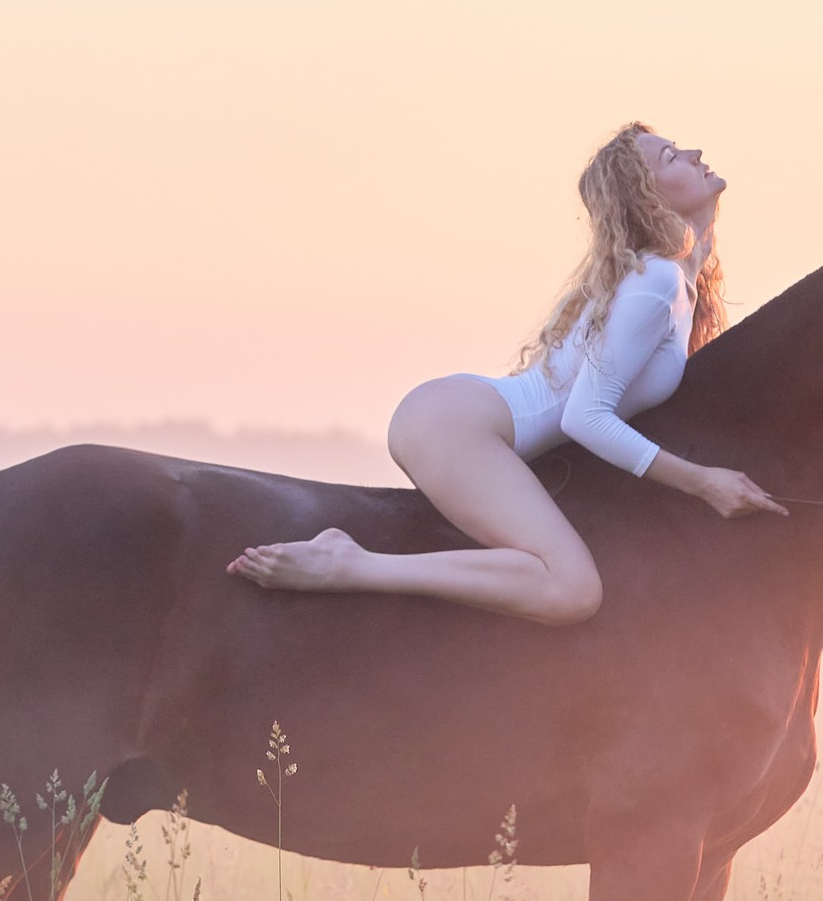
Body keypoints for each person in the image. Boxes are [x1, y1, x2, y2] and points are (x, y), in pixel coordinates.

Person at [225, 123, 784, 624]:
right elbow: (586, 417)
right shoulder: (656, 283)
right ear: (649, 198)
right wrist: (702, 481)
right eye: (671, 157)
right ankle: (349, 565)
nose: (694, 151)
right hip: (454, 427)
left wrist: (703, 221)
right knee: (571, 590)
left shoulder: (675, 279)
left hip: (462, 415)